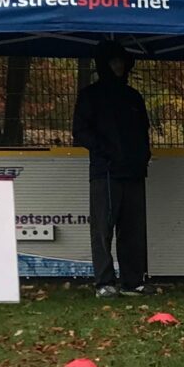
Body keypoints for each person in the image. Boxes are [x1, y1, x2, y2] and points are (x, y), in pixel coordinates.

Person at [73, 40, 153, 298]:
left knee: (133, 230)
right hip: (104, 172)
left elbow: (144, 130)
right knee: (102, 229)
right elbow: (80, 132)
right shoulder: (90, 96)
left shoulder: (133, 97)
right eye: (113, 62)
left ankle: (133, 281)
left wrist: (143, 157)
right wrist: (105, 152)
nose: (118, 66)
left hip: (133, 172)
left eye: (121, 62)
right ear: (104, 65)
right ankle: (105, 282)